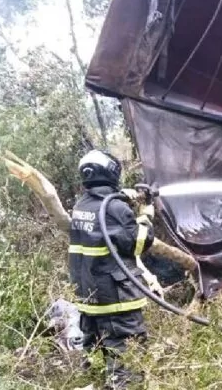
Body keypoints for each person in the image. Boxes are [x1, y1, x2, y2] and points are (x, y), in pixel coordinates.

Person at [69, 149, 157, 389]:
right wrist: (146, 212)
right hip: (117, 303)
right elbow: (139, 243)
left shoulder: (81, 206)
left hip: (90, 301)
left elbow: (104, 224)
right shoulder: (115, 209)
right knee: (128, 364)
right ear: (111, 172)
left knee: (100, 359)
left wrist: (122, 198)